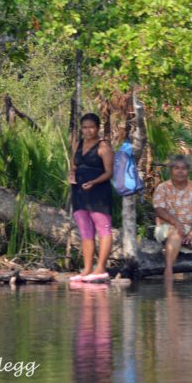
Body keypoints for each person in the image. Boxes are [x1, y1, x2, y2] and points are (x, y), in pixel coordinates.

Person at [68, 113, 114, 282]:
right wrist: (71, 174)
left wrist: (94, 182)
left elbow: (109, 172)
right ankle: (87, 269)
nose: (88, 131)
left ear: (98, 128)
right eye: (85, 127)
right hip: (79, 191)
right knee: (85, 229)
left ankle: (100, 267)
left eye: (91, 127)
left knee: (103, 227)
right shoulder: (78, 144)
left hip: (98, 192)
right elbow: (74, 165)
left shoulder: (103, 147)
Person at [153, 155, 192, 282]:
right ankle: (168, 271)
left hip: (191, 227)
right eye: (176, 168)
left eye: (183, 168)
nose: (180, 171)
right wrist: (177, 223)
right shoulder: (162, 187)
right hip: (166, 227)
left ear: (188, 170)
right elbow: (159, 210)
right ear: (171, 170)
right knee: (176, 234)